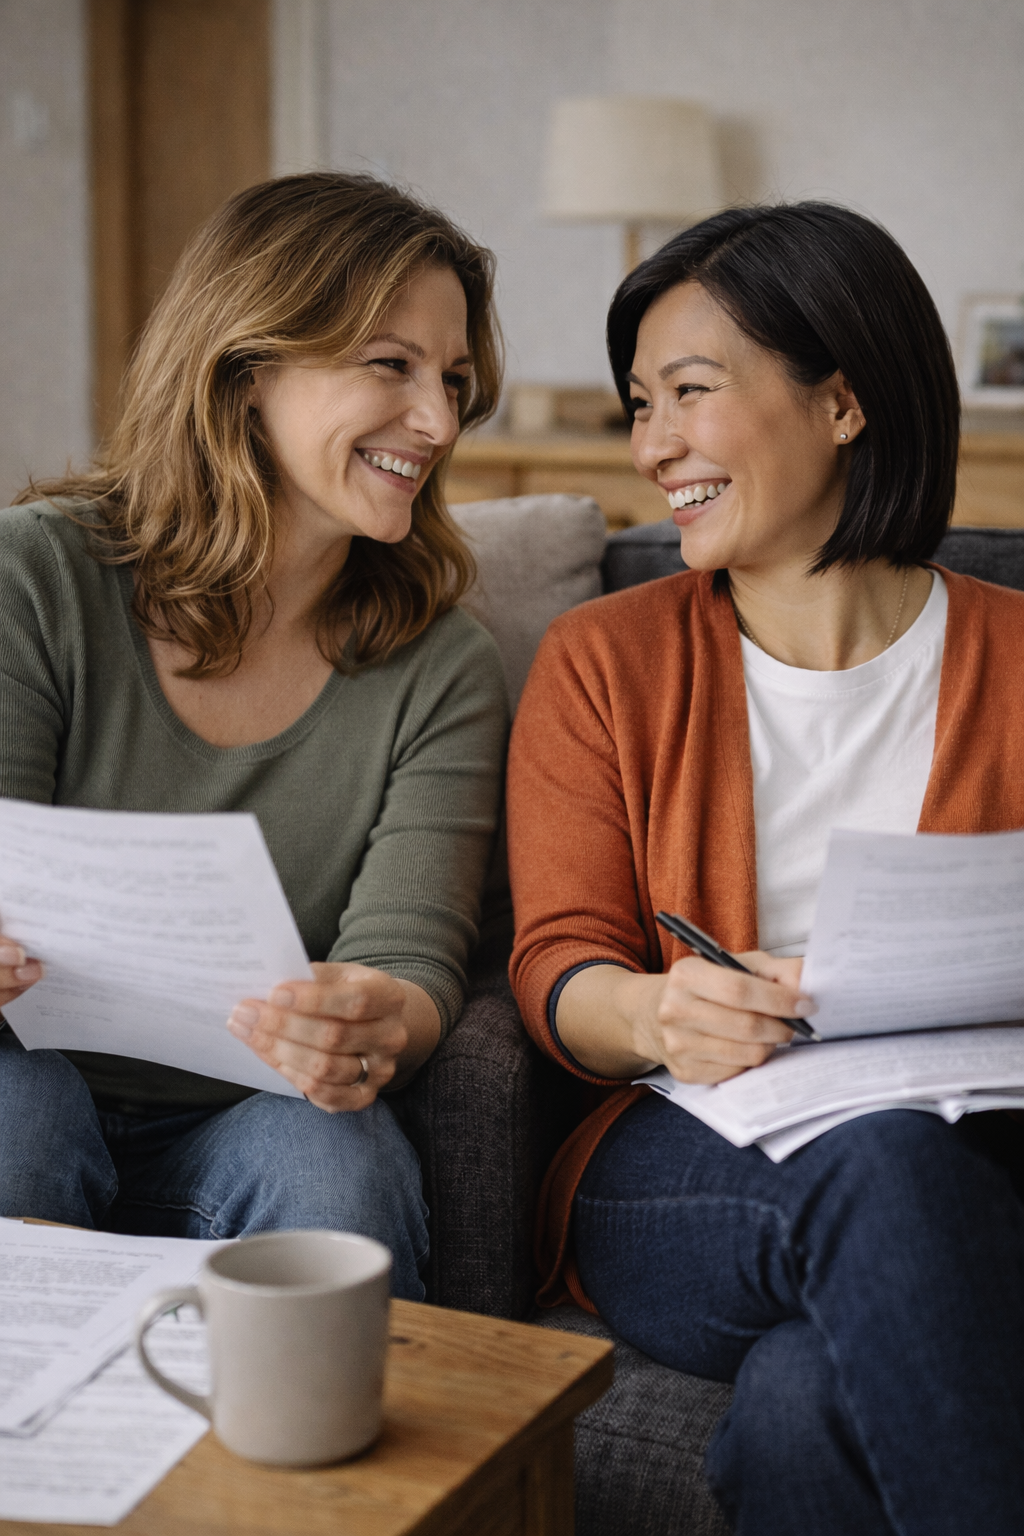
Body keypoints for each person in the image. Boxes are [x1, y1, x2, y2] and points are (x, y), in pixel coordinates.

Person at [507, 203, 1024, 1532]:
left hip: (990, 1146)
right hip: (693, 1168)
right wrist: (655, 1011)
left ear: (841, 402)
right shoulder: (604, 660)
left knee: (803, 1399)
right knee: (887, 1170)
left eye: (691, 392)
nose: (653, 445)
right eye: (641, 405)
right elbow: (556, 959)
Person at [0, 172, 509, 1301]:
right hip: (22, 1080)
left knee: (338, 1148)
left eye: (455, 380)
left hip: (247, 1120)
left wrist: (379, 1020)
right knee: (16, 1108)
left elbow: (408, 959)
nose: (436, 420)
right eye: (391, 364)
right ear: (245, 370)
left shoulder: (441, 667)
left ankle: (343, 1483)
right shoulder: (33, 578)